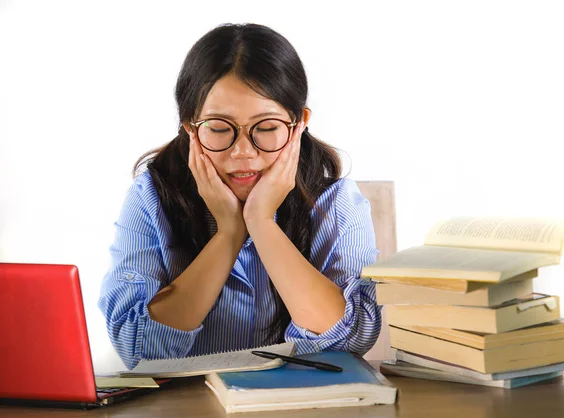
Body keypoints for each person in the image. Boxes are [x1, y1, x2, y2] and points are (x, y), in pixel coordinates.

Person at [98, 23, 381, 369]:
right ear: (190, 127)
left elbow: (350, 343)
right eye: (219, 129)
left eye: (266, 128)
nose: (244, 152)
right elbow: (136, 347)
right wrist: (229, 233)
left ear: (299, 124)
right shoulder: (151, 197)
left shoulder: (337, 202)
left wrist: (261, 223)